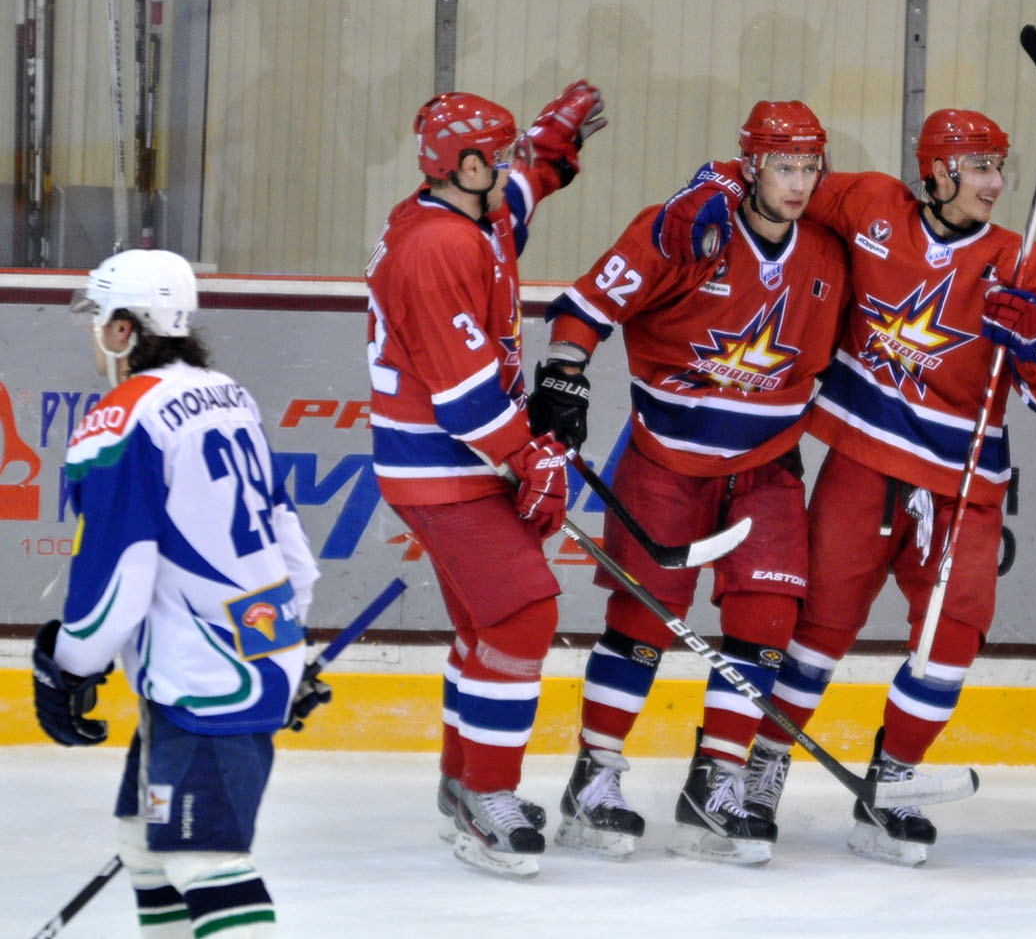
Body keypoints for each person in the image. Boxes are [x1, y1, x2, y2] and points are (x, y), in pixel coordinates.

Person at [654, 108, 1036, 866]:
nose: (995, 183)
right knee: (816, 628)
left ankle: (893, 781)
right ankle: (761, 765)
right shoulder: (871, 204)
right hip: (861, 460)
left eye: (999, 166)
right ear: (939, 172)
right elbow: (778, 179)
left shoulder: (1026, 262)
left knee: (952, 639)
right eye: (980, 167)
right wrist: (707, 190)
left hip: (962, 486)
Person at [536, 100, 849, 867]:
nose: (800, 183)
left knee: (768, 619)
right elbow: (584, 305)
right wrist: (564, 377)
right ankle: (594, 778)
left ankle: (717, 782)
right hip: (667, 465)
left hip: (766, 468)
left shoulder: (829, 257)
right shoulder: (686, 228)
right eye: (784, 166)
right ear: (750, 166)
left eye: (811, 167)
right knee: (643, 621)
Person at [32, 248, 322, 937]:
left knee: (203, 858)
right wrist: (289, 652)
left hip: (203, 679)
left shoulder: (121, 419)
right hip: (239, 660)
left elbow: (118, 576)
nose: (95, 334)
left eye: (100, 320)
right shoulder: (229, 395)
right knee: (144, 843)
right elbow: (292, 553)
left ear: (127, 329)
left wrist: (68, 665)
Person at [364, 84, 606, 878]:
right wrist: (528, 456)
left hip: (452, 461)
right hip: (442, 464)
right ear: (464, 167)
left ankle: (462, 783)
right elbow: (463, 396)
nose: (508, 170)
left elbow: (524, 189)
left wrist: (553, 144)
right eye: (495, 158)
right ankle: (488, 797)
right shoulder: (434, 248)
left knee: (484, 621)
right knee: (525, 610)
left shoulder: (478, 210)